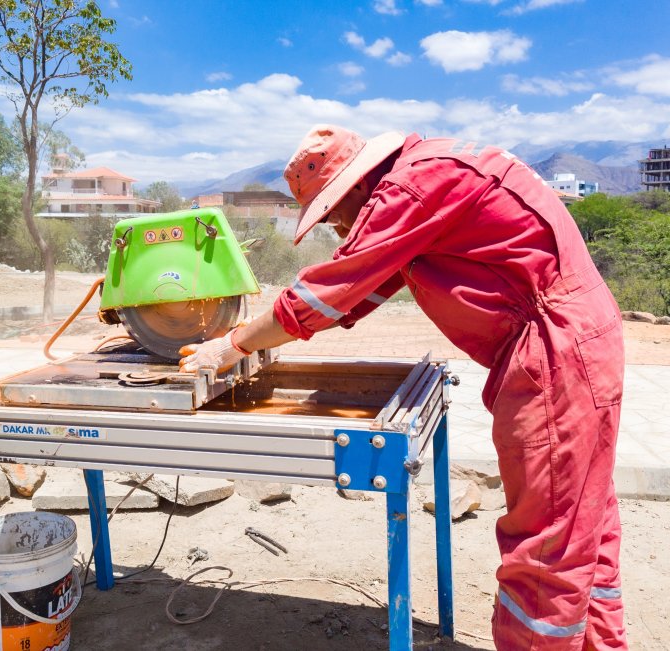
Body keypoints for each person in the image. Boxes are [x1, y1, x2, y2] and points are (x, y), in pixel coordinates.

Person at [179, 124, 627, 649]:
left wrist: (233, 344)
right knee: (583, 525)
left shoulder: (410, 187)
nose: (339, 226)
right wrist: (290, 320)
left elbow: (330, 289)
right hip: (577, 341)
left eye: (333, 212)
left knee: (547, 547)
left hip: (555, 355)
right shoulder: (430, 171)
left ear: (355, 185)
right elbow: (362, 289)